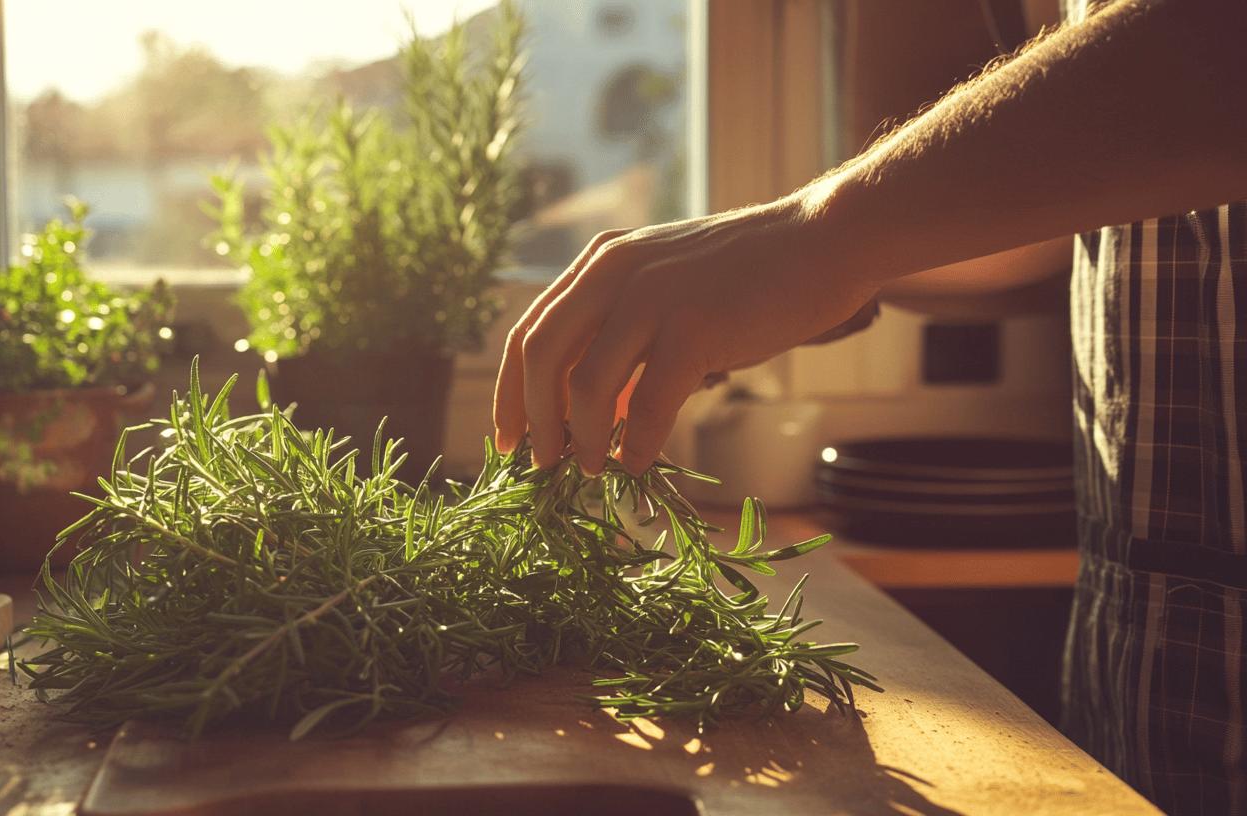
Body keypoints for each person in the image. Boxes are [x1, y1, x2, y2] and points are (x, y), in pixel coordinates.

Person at [491, 1, 1247, 814]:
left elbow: (1215, 53)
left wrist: (825, 231)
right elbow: (1076, 195)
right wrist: (810, 276)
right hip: (1142, 653)